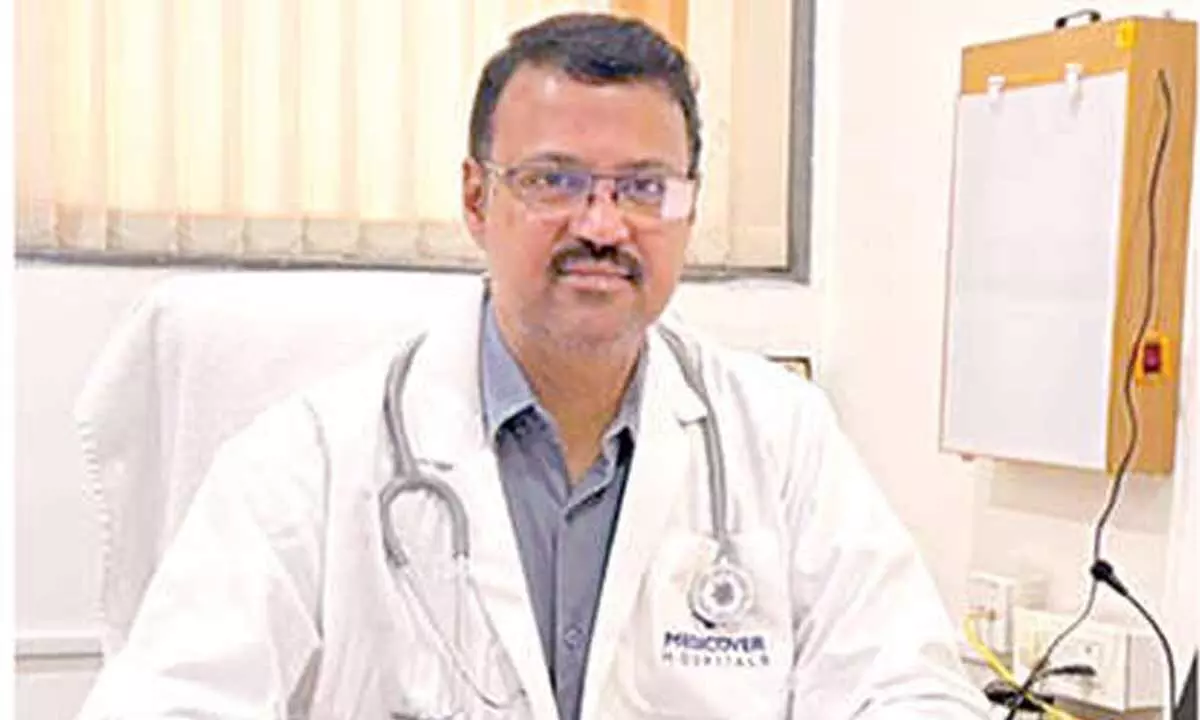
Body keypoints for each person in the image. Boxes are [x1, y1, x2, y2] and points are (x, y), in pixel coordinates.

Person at [77, 13, 989, 720]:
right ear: (477, 198)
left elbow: (907, 684)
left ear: (689, 207)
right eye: (554, 179)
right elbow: (169, 701)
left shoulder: (781, 437)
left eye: (644, 187)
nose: (603, 224)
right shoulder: (310, 457)